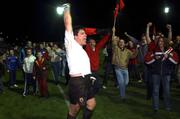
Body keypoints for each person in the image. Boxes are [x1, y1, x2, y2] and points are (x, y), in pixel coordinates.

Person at [63, 4, 96, 119]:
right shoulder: (71, 44)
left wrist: (90, 77)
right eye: (82, 33)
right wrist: (67, 8)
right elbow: (67, 23)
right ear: (74, 36)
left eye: (85, 34)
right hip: (77, 83)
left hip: (86, 80)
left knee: (91, 104)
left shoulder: (82, 50)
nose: (85, 35)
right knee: (75, 109)